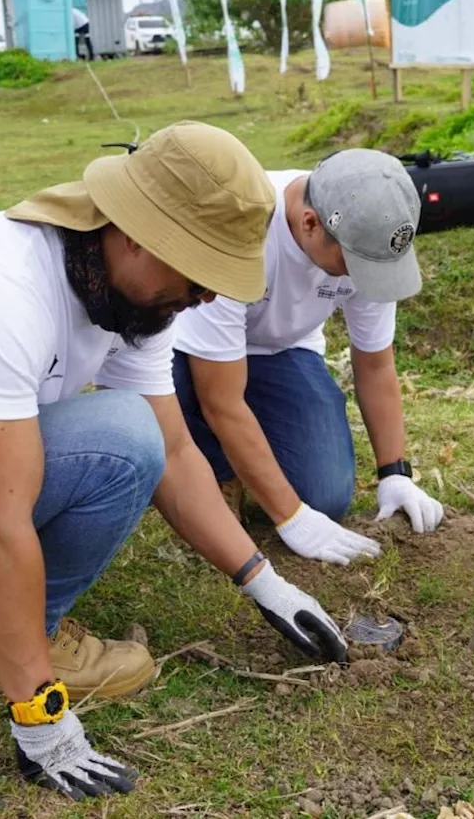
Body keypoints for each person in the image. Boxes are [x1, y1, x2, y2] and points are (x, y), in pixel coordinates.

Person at [0, 121, 348, 802]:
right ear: (138, 235)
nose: (207, 298)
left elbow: (177, 449)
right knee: (120, 438)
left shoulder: (126, 292)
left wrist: (263, 581)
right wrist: (40, 717)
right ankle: (2, 638)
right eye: (200, 274)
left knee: (138, 434)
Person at [171, 149, 445, 566]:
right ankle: (216, 471)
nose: (360, 277)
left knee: (326, 494)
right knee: (181, 393)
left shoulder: (369, 237)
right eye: (353, 264)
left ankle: (251, 456)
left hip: (280, 349)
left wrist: (395, 473)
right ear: (310, 223)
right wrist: (291, 517)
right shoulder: (241, 227)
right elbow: (221, 402)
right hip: (188, 345)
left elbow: (374, 364)